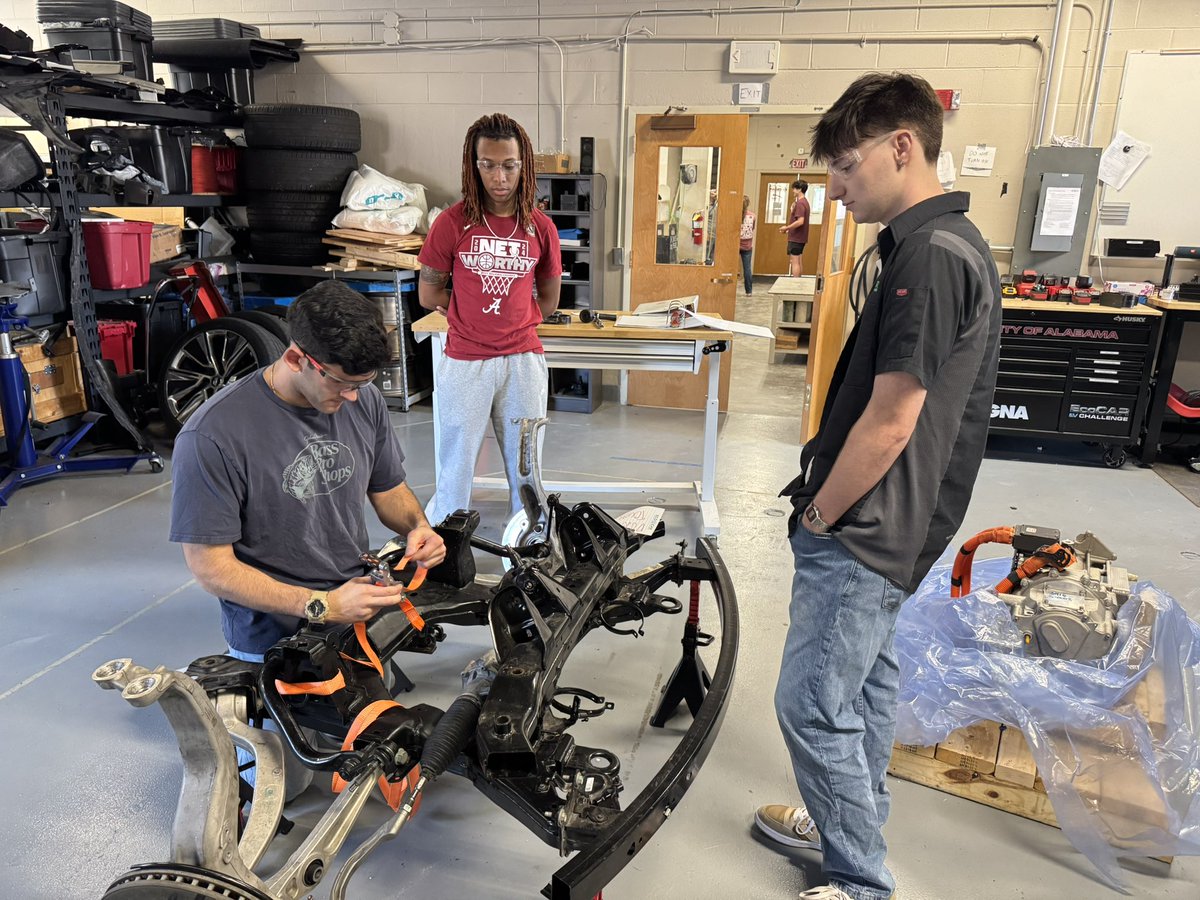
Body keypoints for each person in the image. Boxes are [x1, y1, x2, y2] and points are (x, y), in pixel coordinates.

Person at [754, 72, 1002, 900]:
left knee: (811, 703)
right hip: (904, 523)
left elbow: (893, 421)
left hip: (868, 525)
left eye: (847, 165)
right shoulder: (946, 242)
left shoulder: (928, 258)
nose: (834, 186)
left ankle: (860, 877)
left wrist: (821, 514)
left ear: (903, 146)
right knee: (863, 682)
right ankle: (845, 824)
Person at [417, 112, 562, 526]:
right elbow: (429, 293)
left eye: (509, 165)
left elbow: (549, 299)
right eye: (489, 165)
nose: (500, 177)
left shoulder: (541, 228)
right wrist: (470, 309)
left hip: (522, 360)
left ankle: (529, 544)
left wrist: (511, 317)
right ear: (473, 165)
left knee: (527, 465)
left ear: (524, 165)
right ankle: (445, 546)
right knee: (457, 463)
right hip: (466, 360)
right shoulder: (451, 223)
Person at [780, 179, 810, 276]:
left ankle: (795, 284)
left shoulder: (800, 203)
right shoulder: (804, 202)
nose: (793, 190)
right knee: (799, 260)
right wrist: (793, 210)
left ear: (799, 189)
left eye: (794, 188)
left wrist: (787, 228)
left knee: (794, 262)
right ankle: (799, 283)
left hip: (796, 238)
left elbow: (800, 221)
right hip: (801, 237)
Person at [739, 194, 757, 294]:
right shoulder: (752, 216)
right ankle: (749, 291)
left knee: (731, 267)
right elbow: (752, 228)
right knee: (747, 268)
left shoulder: (735, 215)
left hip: (736, 244)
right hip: (747, 246)